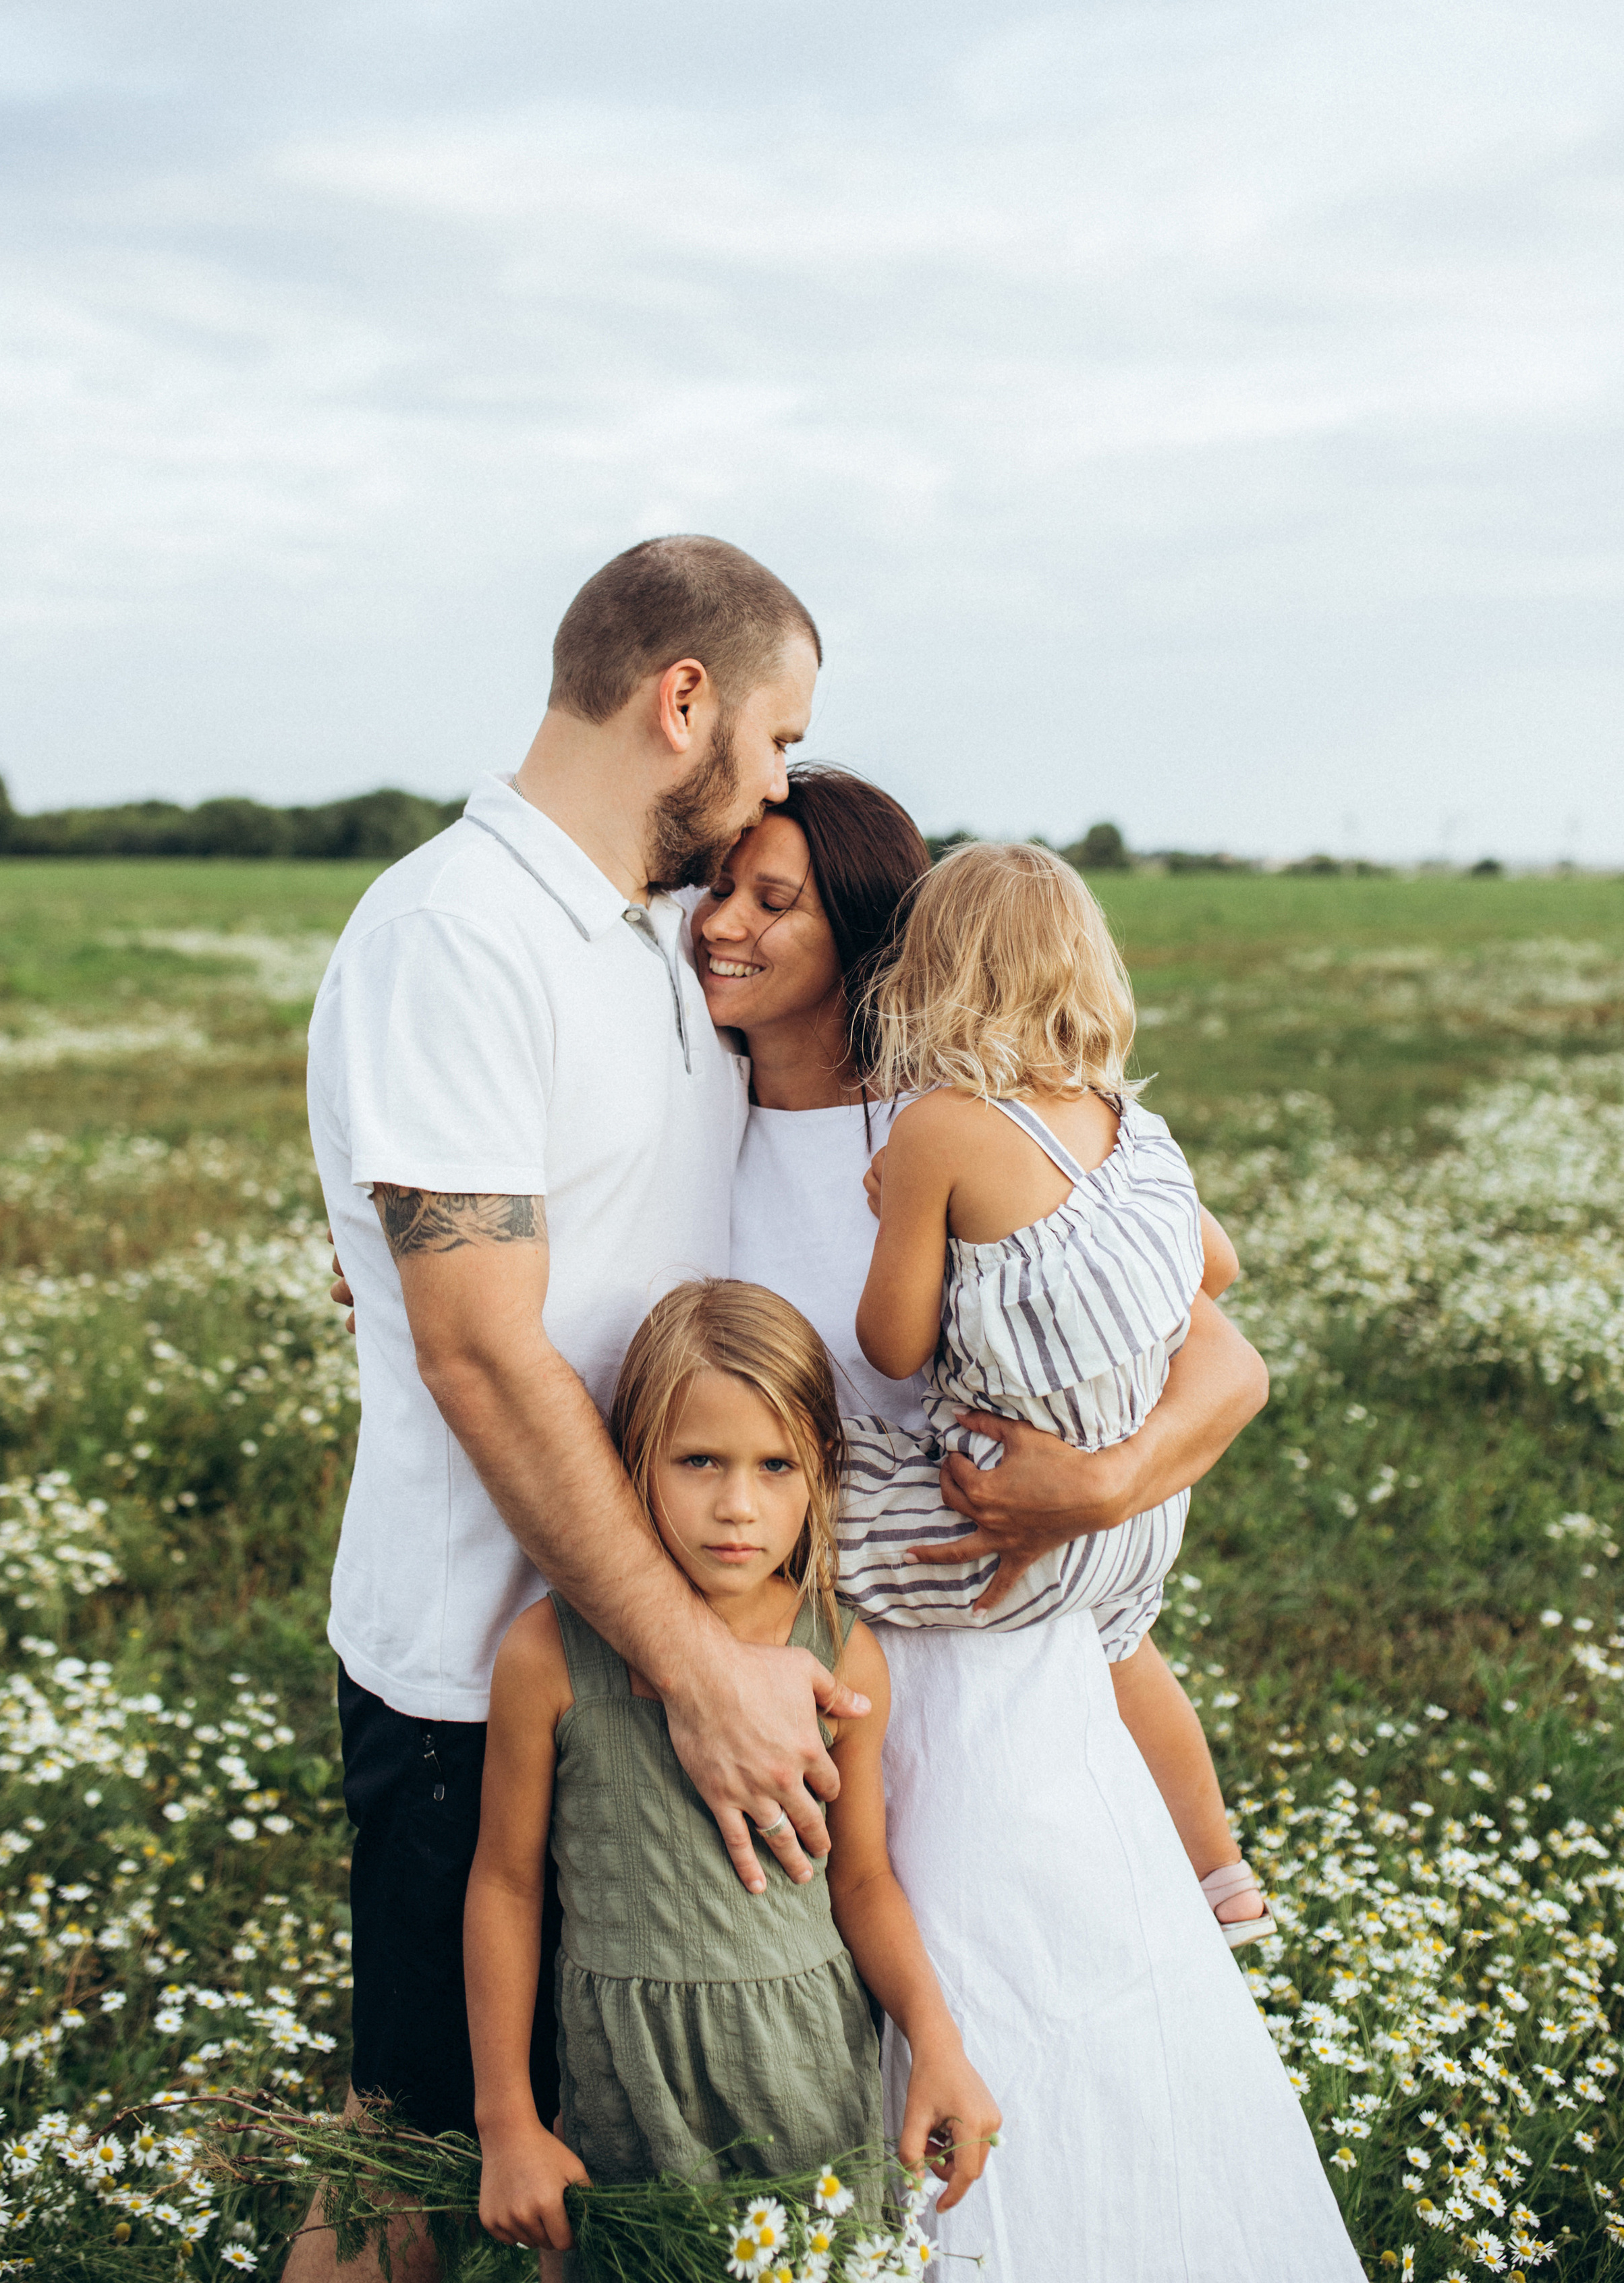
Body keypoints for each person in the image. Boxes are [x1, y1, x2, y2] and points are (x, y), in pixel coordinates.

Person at [695, 770, 1365, 2282]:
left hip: (994, 1670)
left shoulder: (961, 1126)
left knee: (1032, 2017)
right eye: (715, 895)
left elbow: (1221, 1341)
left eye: (773, 901)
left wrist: (1103, 1485)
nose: (722, 929)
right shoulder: (685, 1134)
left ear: (875, 943)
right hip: (798, 1678)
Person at [293, 538, 870, 2283]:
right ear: (680, 701)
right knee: (407, 2163)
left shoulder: (647, 940)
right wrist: (703, 1676)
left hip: (647, 1658)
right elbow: (478, 1351)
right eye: (775, 737)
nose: (779, 781)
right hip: (480, 1678)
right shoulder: (455, 937)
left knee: (593, 2186)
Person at [464, 1280, 998, 2270]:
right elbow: (505, 1882)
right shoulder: (549, 1655)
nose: (737, 1506)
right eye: (698, 1461)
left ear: (821, 1476)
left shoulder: (839, 1651)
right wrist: (508, 2123)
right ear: (633, 1464)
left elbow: (865, 1879)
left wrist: (937, 2041)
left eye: (776, 1466)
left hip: (802, 2079)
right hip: (626, 2087)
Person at [848, 838, 1277, 1948]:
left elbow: (891, 1347)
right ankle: (1220, 1873)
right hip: (1138, 1521)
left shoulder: (937, 1129)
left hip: (998, 1517)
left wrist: (898, 1207)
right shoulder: (1130, 1127)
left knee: (788, 1519)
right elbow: (1213, 1269)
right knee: (1129, 1653)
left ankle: (856, 1855)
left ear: (928, 976)